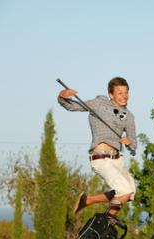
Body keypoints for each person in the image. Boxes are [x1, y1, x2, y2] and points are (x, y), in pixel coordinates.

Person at [58, 77, 137, 216]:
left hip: (118, 160)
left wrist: (129, 143)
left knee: (130, 194)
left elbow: (134, 145)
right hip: (101, 158)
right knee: (124, 191)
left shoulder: (129, 116)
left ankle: (88, 201)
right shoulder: (98, 103)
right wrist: (62, 96)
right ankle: (107, 221)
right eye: (120, 93)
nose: (124, 96)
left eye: (126, 92)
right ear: (111, 94)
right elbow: (72, 106)